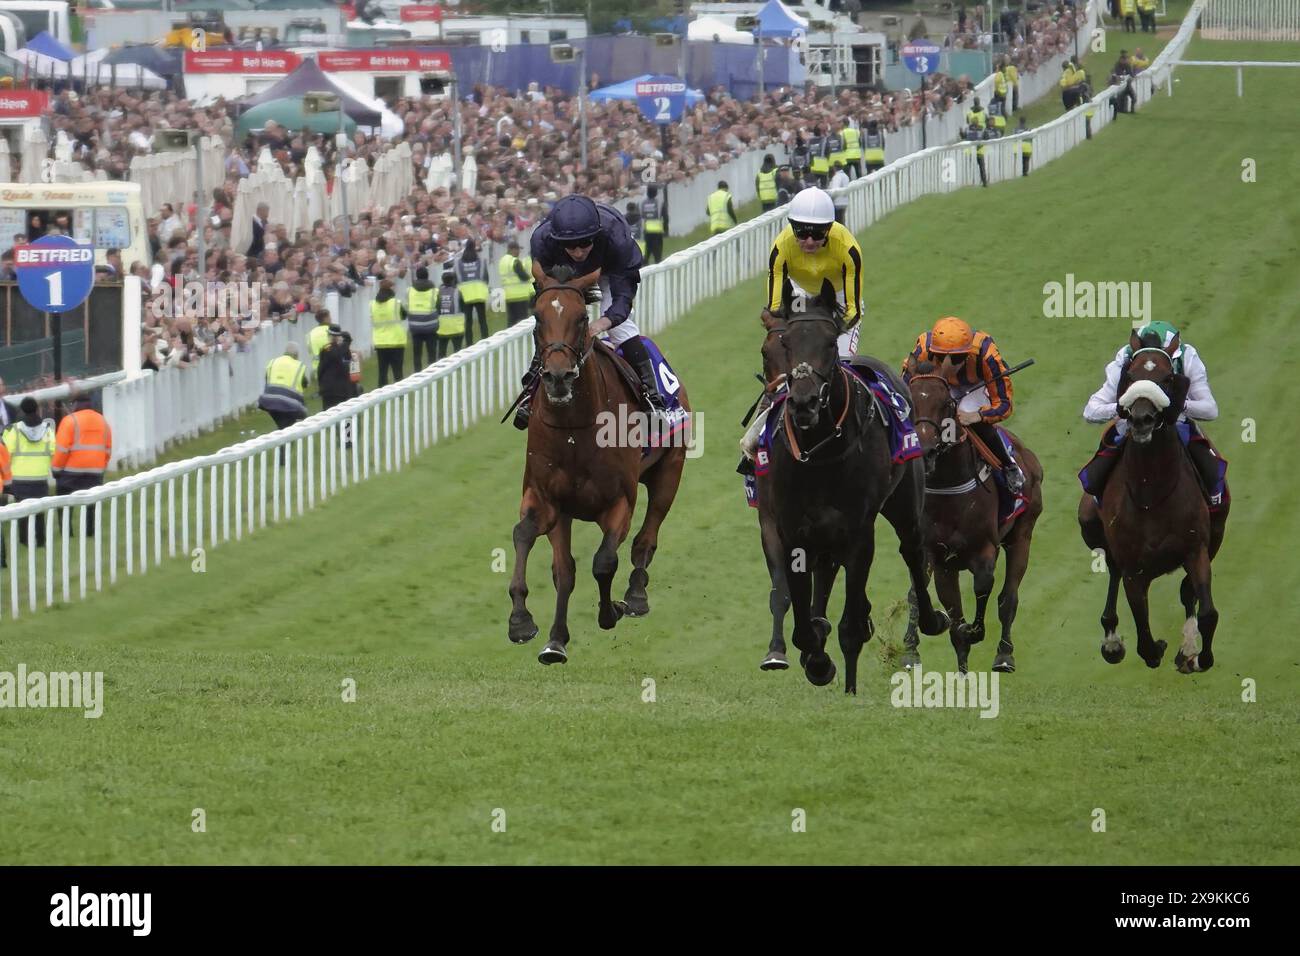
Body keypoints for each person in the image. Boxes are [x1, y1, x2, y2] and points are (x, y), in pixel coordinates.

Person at [514, 194, 666, 429]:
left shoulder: (616, 237)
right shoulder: (543, 240)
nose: (577, 251)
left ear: (595, 236)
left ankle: (651, 397)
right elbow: (544, 293)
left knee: (621, 329)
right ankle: (530, 391)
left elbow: (622, 298)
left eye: (585, 243)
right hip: (563, 274)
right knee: (553, 322)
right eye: (571, 246)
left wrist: (601, 324)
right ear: (558, 240)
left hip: (608, 269)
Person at [739, 187, 865, 468]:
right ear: (792, 228)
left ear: (829, 230)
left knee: (839, 362)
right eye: (801, 233)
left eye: (817, 234)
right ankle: (759, 432)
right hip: (797, 297)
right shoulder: (781, 246)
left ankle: (859, 432)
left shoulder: (848, 249)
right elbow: (774, 309)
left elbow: (853, 311)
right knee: (788, 368)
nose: (808, 241)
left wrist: (826, 337)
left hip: (838, 300)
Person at [1082, 321, 1223, 503]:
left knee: (1212, 474)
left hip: (1175, 422)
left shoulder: (1186, 356)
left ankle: (1214, 510)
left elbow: (1211, 409)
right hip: (1131, 423)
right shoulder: (1125, 358)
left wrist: (1180, 405)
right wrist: (1120, 408)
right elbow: (1090, 410)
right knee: (1092, 489)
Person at [903, 317, 1026, 493]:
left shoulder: (986, 352)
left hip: (975, 385)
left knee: (963, 413)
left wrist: (978, 416)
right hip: (938, 384)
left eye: (959, 358)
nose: (953, 364)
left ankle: (1009, 466)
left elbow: (1004, 404)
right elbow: (905, 390)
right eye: (945, 358)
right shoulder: (923, 348)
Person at [4, 397, 55, 547]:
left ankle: (24, 540)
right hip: (40, 478)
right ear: (37, 409)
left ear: (21, 410)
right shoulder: (47, 430)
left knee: (22, 511)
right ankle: (40, 541)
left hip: (19, 479)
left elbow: (6, 452)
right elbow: (53, 450)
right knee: (39, 512)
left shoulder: (14, 430)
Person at [51, 392, 111, 506]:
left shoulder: (69, 420)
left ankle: (65, 523)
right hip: (95, 473)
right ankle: (91, 524)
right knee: (92, 506)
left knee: (64, 505)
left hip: (70, 474)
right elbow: (108, 449)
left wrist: (56, 470)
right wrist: (101, 467)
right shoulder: (102, 421)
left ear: (75, 404)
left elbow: (61, 450)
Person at [257, 342, 309, 438]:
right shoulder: (298, 365)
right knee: (299, 419)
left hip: (268, 401)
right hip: (289, 403)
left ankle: (280, 444)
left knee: (284, 426)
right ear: (296, 355)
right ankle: (282, 448)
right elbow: (304, 383)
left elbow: (266, 378)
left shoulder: (273, 362)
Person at [370, 278, 407, 386]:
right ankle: (400, 393)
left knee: (382, 371)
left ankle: (380, 393)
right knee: (398, 371)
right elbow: (404, 316)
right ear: (390, 288)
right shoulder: (396, 303)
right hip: (396, 341)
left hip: (380, 342)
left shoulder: (372, 304)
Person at [456, 238, 490, 346]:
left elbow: (456, 278)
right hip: (479, 293)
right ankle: (486, 340)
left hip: (465, 295)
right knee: (482, 320)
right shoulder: (480, 261)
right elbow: (486, 277)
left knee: (468, 322)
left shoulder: (459, 263)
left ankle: (469, 344)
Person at [404, 266, 439, 370]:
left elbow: (407, 306)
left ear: (417, 276)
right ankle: (433, 371)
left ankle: (417, 372)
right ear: (428, 276)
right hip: (431, 326)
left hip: (415, 326)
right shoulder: (434, 291)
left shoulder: (409, 290)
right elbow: (439, 306)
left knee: (417, 353)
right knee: (432, 352)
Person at [317, 324, 357, 411]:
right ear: (338, 337)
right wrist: (347, 341)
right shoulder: (345, 349)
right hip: (344, 388)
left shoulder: (327, 349)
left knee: (329, 416)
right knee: (346, 416)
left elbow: (321, 370)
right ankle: (348, 425)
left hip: (329, 389)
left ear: (330, 336)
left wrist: (320, 385)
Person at [498, 240, 533, 327]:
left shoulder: (502, 261)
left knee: (511, 319)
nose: (519, 252)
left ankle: (510, 338)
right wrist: (529, 276)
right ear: (512, 250)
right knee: (523, 319)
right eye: (518, 250)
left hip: (508, 295)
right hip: (520, 295)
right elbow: (523, 277)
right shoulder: (514, 261)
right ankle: (524, 338)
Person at [435, 270, 466, 359]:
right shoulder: (457, 292)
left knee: (441, 352)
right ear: (453, 280)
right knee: (457, 351)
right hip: (456, 328)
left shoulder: (438, 292)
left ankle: (441, 368)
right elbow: (463, 308)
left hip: (442, 328)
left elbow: (436, 308)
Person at [640, 185, 667, 265]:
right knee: (658, 255)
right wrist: (666, 229)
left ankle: (645, 267)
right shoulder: (659, 203)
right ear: (656, 193)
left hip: (646, 231)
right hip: (657, 231)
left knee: (646, 252)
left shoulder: (642, 203)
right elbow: (665, 217)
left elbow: (640, 217)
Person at [307, 309, 332, 374]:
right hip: (331, 368)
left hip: (317, 369)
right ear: (326, 318)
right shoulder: (331, 331)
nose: (331, 319)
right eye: (330, 317)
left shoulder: (310, 333)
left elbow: (309, 350)